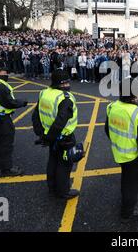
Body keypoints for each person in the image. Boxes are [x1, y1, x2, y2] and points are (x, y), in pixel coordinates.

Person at [105, 74, 138, 223]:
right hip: (133, 157)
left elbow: (107, 129)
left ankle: (126, 203)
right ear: (134, 95)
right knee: (131, 184)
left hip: (118, 151)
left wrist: (118, 141)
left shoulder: (112, 106)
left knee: (126, 178)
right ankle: (127, 213)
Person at [31, 69, 80, 199]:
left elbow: (36, 115)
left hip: (49, 135)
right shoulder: (65, 98)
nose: (66, 86)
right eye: (64, 84)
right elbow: (60, 122)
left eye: (67, 83)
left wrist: (42, 134)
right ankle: (63, 191)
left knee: (53, 160)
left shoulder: (44, 93)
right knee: (64, 164)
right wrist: (48, 137)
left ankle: (52, 187)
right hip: (63, 137)